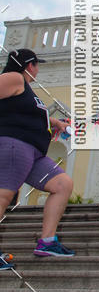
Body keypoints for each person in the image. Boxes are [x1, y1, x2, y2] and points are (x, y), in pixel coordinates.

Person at [0, 49, 75, 269]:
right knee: (4, 195)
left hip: (34, 152)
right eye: (36, 65)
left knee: (62, 184)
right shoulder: (14, 77)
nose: (38, 70)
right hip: (15, 143)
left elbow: (28, 111)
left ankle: (47, 242)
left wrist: (55, 123)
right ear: (29, 65)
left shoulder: (26, 89)